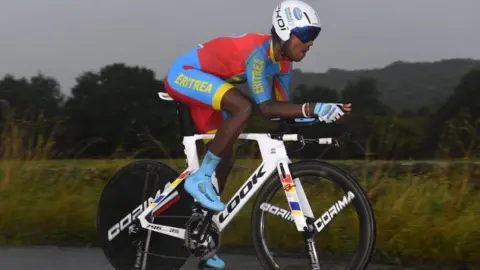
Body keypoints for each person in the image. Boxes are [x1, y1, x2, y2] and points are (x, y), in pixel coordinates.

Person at [164, 0, 351, 268]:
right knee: (243, 108)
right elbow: (265, 107)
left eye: (315, 36)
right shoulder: (259, 55)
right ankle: (200, 178)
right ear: (285, 32)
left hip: (210, 87)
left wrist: (320, 114)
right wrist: (312, 107)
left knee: (225, 157)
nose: (310, 44)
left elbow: (280, 110)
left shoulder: (283, 64)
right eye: (306, 35)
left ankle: (202, 237)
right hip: (185, 75)